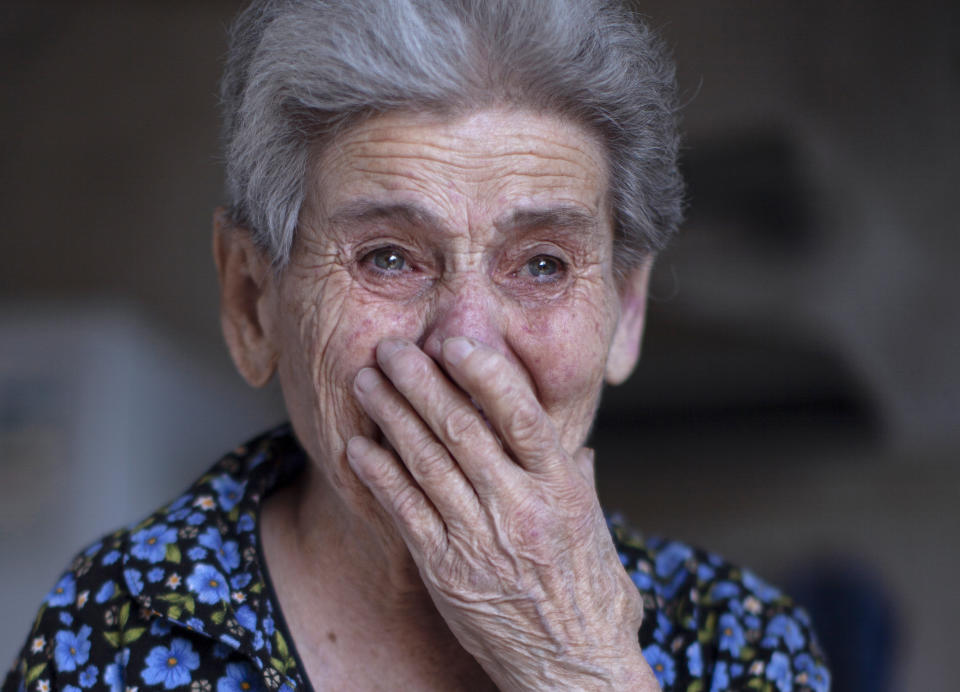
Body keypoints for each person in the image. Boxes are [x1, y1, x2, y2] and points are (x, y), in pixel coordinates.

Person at [4, 0, 830, 690]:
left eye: (542, 264)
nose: (468, 342)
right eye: (387, 258)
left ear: (628, 310)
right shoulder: (120, 629)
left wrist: (581, 668)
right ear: (253, 301)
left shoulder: (744, 642)